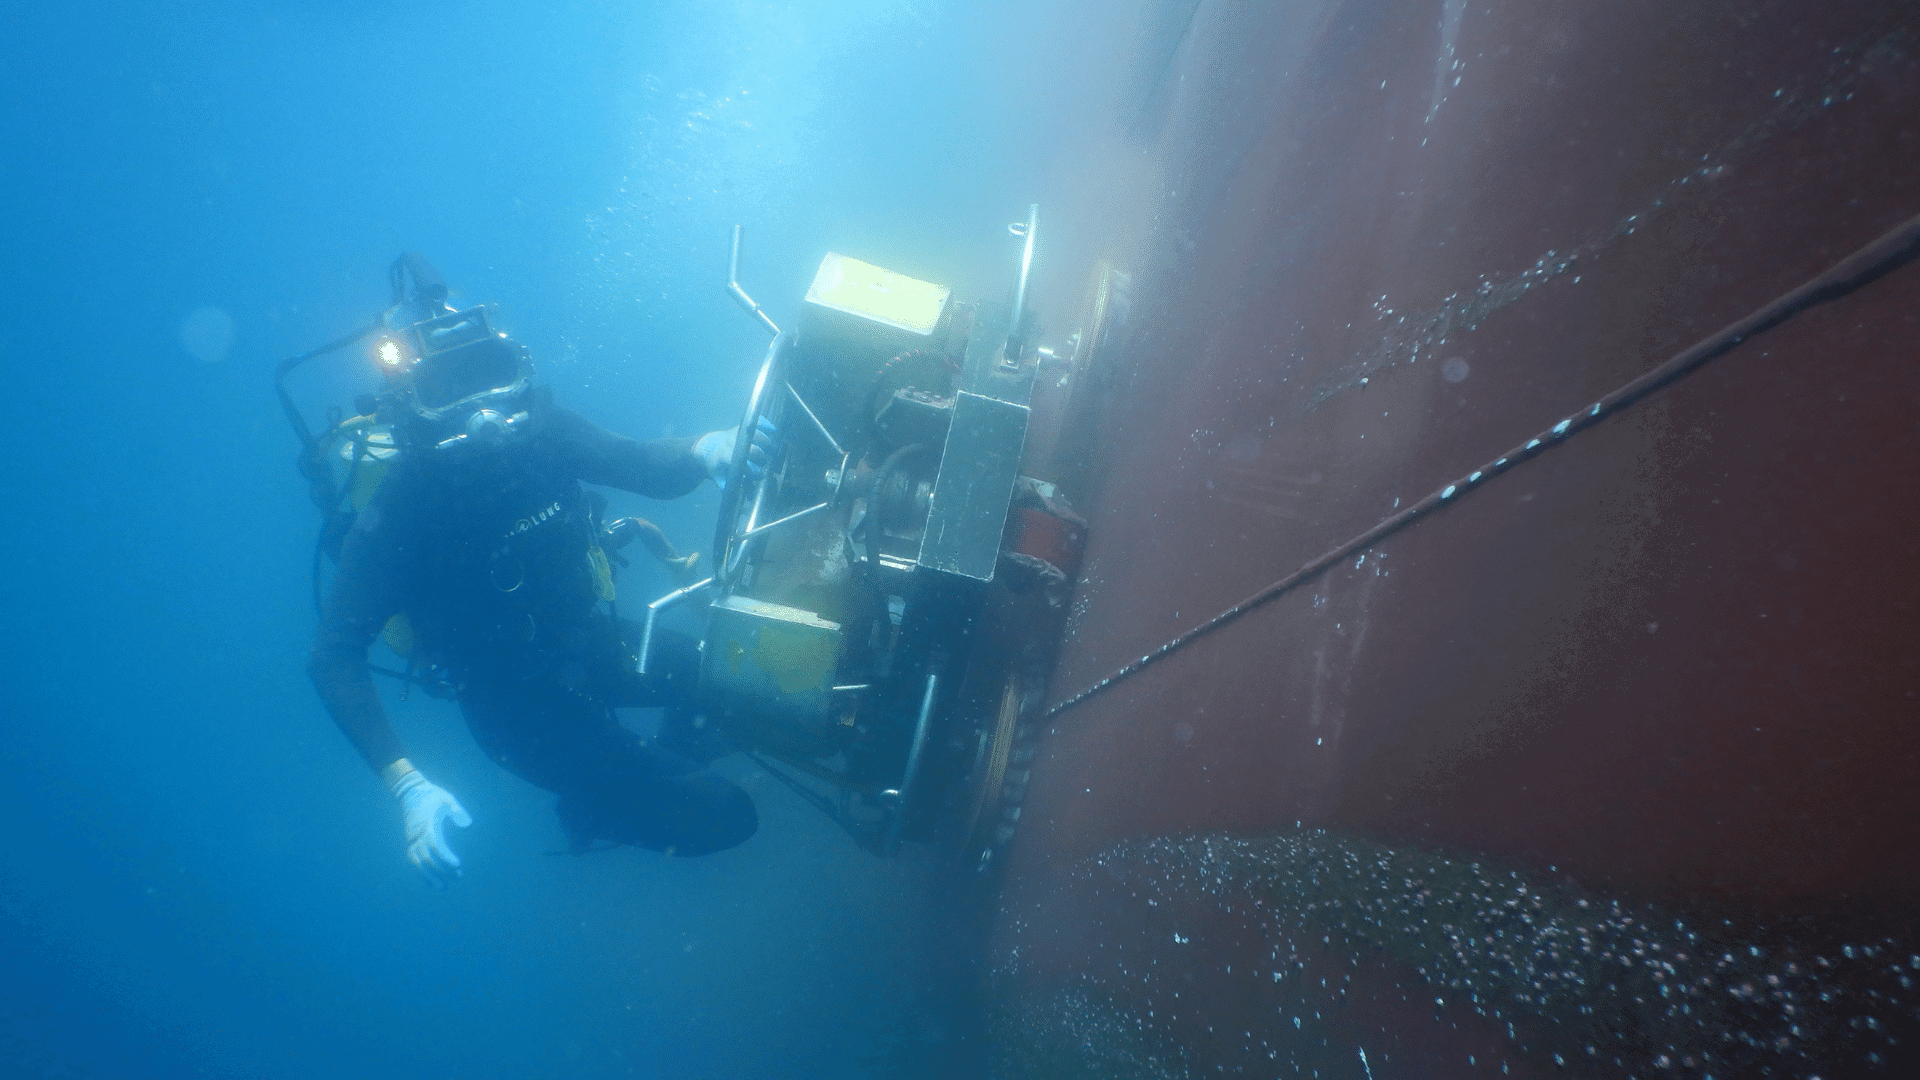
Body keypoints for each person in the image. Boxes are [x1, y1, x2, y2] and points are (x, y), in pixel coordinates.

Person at [306, 267, 775, 887]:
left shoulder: (543, 435)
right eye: (451, 387)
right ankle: (599, 805)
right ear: (415, 401)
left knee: (743, 686)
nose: (484, 410)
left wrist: (705, 446)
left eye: (492, 373)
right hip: (516, 712)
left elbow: (641, 465)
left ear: (514, 365)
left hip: (590, 646)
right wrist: (406, 784)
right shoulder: (401, 507)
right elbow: (333, 654)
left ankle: (652, 767)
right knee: (729, 816)